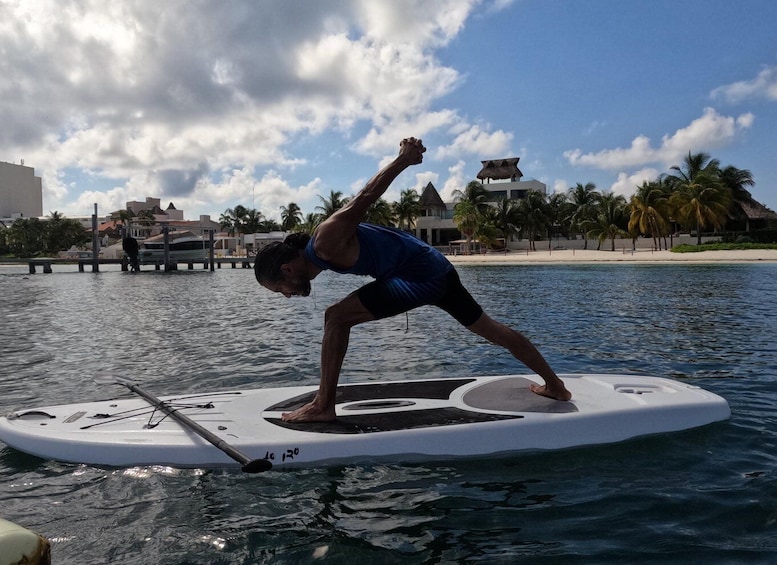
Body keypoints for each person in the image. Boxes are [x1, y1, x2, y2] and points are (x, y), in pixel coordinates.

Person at [254, 138, 571, 422]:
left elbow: (365, 197)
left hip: (420, 277)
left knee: (336, 317)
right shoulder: (321, 253)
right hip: (438, 271)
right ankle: (556, 386)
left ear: (286, 270)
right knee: (492, 330)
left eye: (279, 289)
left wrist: (403, 160)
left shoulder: (325, 241)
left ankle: (323, 405)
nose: (286, 295)